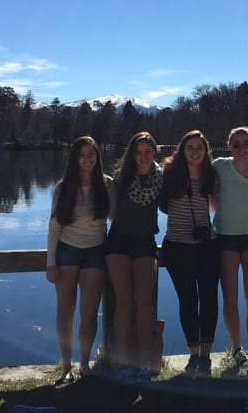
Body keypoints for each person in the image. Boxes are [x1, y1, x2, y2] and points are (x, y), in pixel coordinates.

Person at [46, 136, 112, 385]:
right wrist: (50, 262)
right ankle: (66, 365)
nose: (88, 158)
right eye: (83, 154)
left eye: (92, 153)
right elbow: (54, 227)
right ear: (75, 158)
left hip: (96, 252)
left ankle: (84, 362)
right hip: (67, 252)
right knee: (65, 311)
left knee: (89, 313)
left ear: (98, 157)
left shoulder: (107, 185)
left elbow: (119, 217)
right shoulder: (63, 188)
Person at [159, 130, 220, 377]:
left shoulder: (212, 174)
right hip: (177, 246)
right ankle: (193, 352)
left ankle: (206, 354)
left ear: (206, 151)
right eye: (190, 147)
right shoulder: (170, 174)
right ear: (182, 150)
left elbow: (216, 205)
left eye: (200, 147)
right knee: (187, 299)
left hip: (207, 245)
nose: (195, 152)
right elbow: (160, 204)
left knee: (209, 298)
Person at [104, 131, 163, 383]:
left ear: (155, 153)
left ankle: (146, 363)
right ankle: (122, 362)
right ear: (132, 154)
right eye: (139, 152)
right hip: (118, 242)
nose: (143, 157)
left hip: (145, 243)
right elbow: (109, 212)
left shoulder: (161, 179)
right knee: (123, 300)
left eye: (148, 151)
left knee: (144, 303)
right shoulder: (120, 178)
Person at [212, 126, 248, 374]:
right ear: (229, 145)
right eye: (236, 144)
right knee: (230, 299)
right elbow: (197, 178)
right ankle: (237, 351)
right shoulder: (219, 166)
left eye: (246, 143)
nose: (241, 148)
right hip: (225, 239)